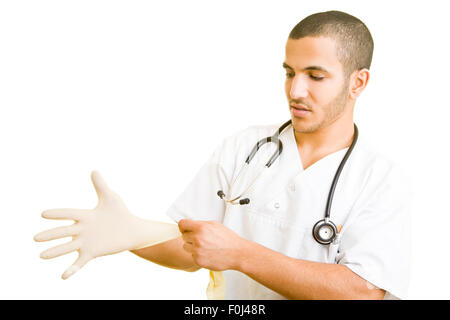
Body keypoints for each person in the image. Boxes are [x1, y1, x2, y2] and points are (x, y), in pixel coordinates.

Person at [35, 10, 412, 300]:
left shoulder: (379, 178)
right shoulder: (244, 148)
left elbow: (362, 291)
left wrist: (241, 254)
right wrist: (131, 233)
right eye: (289, 72)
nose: (295, 90)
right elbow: (191, 250)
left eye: (316, 76)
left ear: (358, 82)